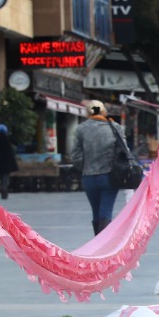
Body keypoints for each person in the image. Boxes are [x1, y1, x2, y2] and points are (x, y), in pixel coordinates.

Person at [70, 100, 124, 235]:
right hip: (110, 176)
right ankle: (103, 246)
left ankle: (98, 243)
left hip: (89, 177)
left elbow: (75, 155)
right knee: (105, 212)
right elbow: (123, 152)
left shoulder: (81, 129)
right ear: (104, 111)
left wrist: (86, 166)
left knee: (95, 212)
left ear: (87, 113)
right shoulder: (115, 127)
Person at [0, 122, 19, 200]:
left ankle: (3, 188)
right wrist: (9, 135)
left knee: (2, 174)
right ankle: (4, 188)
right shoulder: (7, 137)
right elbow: (16, 143)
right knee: (6, 174)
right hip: (8, 158)